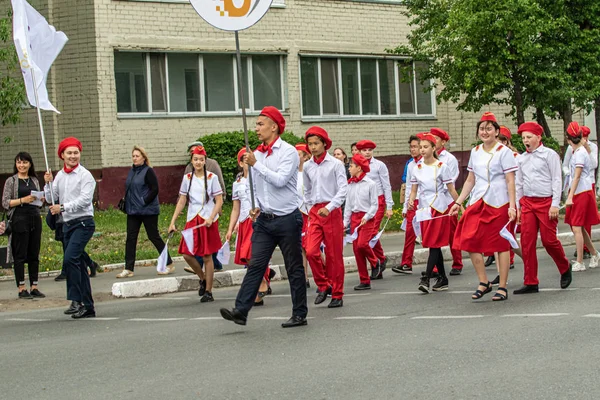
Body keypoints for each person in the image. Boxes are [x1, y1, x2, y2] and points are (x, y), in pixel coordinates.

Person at [220, 106, 308, 328]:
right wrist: (256, 205)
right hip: (265, 221)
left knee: (294, 267)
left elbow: (278, 181)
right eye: (256, 124)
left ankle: (299, 314)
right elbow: (257, 185)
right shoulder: (257, 154)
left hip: (288, 218)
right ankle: (241, 310)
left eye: (260, 124)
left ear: (274, 127)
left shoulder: (287, 152)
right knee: (255, 264)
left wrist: (256, 164)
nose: (256, 128)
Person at [450, 112, 518, 302]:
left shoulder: (504, 152)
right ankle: (484, 281)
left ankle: (502, 286)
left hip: (499, 202)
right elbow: (470, 179)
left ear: (497, 131)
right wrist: (459, 202)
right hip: (479, 200)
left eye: (489, 128)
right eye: (482, 128)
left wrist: (512, 206)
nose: (485, 132)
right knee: (469, 239)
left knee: (500, 244)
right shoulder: (476, 151)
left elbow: (510, 181)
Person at [513, 122, 572, 294]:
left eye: (529, 137)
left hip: (546, 202)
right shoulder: (522, 158)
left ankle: (564, 266)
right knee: (527, 241)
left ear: (538, 137)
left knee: (548, 240)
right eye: (524, 138)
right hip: (528, 203)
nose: (526, 141)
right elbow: (519, 183)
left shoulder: (549, 155)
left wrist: (555, 204)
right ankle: (530, 281)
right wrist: (517, 206)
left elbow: (556, 179)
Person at [44, 137, 97, 318]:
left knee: (70, 259)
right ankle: (88, 306)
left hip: (83, 222)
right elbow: (52, 197)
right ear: (62, 156)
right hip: (68, 224)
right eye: (69, 153)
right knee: (78, 264)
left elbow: (85, 200)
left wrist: (63, 207)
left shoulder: (85, 175)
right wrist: (48, 183)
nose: (73, 156)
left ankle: (76, 300)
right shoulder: (60, 176)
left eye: (76, 152)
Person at [169, 145, 223, 302]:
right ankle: (203, 278)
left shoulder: (212, 178)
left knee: (207, 256)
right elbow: (182, 200)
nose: (198, 162)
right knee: (187, 254)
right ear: (191, 161)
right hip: (193, 218)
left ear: (205, 161)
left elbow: (219, 200)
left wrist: (211, 217)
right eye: (195, 160)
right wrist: (173, 221)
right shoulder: (187, 178)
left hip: (207, 219)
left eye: (201, 159)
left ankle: (208, 291)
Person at [304, 126, 348, 308]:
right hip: (314, 211)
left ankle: (337, 293)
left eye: (316, 143)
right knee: (311, 251)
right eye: (310, 144)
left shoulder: (335, 164)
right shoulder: (307, 165)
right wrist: (309, 207)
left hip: (332, 211)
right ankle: (323, 284)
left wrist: (329, 207)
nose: (313, 147)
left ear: (324, 144)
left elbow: (343, 189)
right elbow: (306, 189)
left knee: (333, 255)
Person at [409, 133, 459, 293]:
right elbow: (414, 189)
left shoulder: (441, 166)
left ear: (433, 148)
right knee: (432, 244)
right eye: (420, 147)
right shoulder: (416, 168)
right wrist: (410, 201)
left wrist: (460, 205)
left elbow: (451, 189)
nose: (422, 150)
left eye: (425, 147)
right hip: (424, 209)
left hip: (439, 208)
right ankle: (443, 278)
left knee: (434, 244)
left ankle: (426, 278)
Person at [117, 146, 173, 278]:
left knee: (153, 236)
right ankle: (128, 268)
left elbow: (155, 189)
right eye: (133, 156)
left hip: (148, 211)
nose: (135, 158)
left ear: (144, 157)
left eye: (137, 156)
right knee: (130, 238)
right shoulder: (132, 171)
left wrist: (144, 201)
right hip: (133, 211)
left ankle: (169, 263)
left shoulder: (148, 171)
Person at [226, 148, 271, 306]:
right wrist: (231, 228)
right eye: (245, 161)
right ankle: (263, 281)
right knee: (248, 257)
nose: (248, 163)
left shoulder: (259, 179)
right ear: (240, 163)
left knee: (255, 255)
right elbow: (235, 208)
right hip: (244, 222)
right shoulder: (237, 184)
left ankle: (263, 284)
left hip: (258, 221)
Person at [2, 152, 45, 299]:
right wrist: (23, 200)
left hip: (34, 217)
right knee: (20, 254)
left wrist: (41, 199)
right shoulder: (11, 181)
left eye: (25, 162)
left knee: (34, 253)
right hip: (19, 219)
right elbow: (5, 202)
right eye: (19, 162)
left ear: (30, 164)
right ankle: (21, 287)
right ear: (15, 164)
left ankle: (34, 286)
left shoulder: (34, 179)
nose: (22, 165)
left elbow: (38, 201)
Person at [564, 121, 600, 271]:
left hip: (581, 192)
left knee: (577, 227)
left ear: (568, 139)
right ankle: (594, 253)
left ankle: (579, 261)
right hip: (581, 191)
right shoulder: (579, 151)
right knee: (580, 227)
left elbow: (577, 177)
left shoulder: (579, 153)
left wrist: (570, 196)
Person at [185, 141, 225, 272]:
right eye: (193, 155)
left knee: (209, 241)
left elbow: (219, 185)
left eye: (199, 157)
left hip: (210, 210)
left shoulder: (212, 165)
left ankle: (209, 264)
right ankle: (210, 264)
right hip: (195, 212)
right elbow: (186, 191)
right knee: (201, 240)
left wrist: (219, 206)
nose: (197, 160)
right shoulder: (188, 170)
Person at [356, 139, 393, 278]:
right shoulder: (357, 165)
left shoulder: (379, 165)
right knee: (366, 234)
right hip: (363, 203)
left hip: (378, 200)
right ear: (359, 151)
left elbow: (386, 185)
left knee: (371, 233)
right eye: (364, 150)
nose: (367, 152)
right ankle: (380, 260)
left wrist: (389, 206)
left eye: (370, 150)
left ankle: (377, 262)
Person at [429, 127, 463, 275]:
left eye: (436, 139)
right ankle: (435, 266)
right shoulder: (428, 159)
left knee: (451, 233)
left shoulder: (450, 159)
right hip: (432, 201)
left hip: (447, 200)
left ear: (443, 142)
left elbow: (451, 180)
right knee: (433, 234)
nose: (433, 142)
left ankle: (457, 262)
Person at [345, 153, 379, 290]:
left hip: (367, 218)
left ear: (359, 168)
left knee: (362, 244)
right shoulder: (350, 184)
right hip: (354, 218)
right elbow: (348, 205)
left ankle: (376, 262)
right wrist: (345, 222)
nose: (349, 168)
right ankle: (364, 280)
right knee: (356, 250)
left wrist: (367, 216)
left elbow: (374, 204)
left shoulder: (371, 184)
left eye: (351, 166)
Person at [393, 135, 421, 274]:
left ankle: (435, 267)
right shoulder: (411, 164)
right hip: (413, 202)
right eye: (411, 147)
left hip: (427, 202)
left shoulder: (429, 163)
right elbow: (409, 186)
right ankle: (406, 263)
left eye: (415, 146)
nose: (413, 149)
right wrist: (405, 206)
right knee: (410, 233)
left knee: (428, 235)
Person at [296, 143, 312, 288]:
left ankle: (325, 272)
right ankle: (304, 277)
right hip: (296, 213)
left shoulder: (309, 171)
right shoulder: (292, 173)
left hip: (308, 213)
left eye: (298, 154)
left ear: (306, 156)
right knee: (300, 247)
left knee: (311, 247)